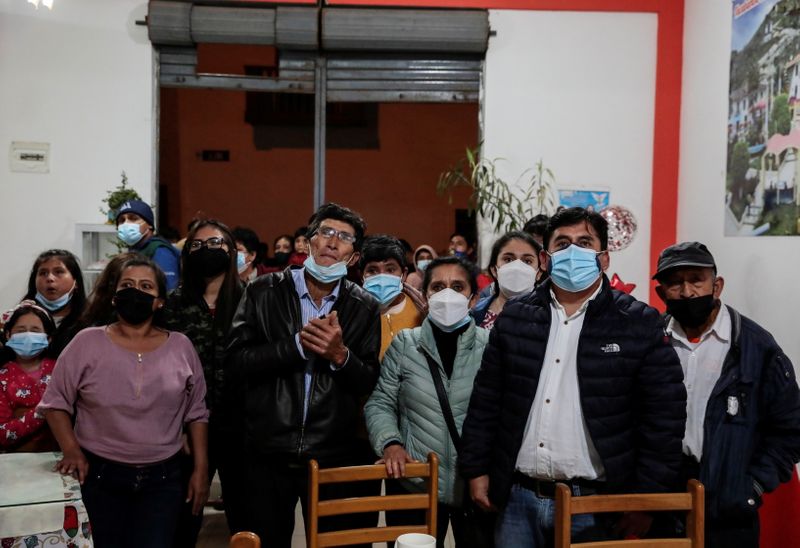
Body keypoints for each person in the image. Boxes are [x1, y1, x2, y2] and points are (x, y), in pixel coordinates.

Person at [459, 207, 687, 547]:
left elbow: (664, 418)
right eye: (563, 243)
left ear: (604, 258)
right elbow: (487, 400)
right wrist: (476, 470)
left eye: (584, 242)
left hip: (595, 503)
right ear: (546, 258)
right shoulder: (516, 318)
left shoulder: (639, 323)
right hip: (519, 497)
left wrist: (646, 497)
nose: (573, 252)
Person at [224, 203, 380, 548]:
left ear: (353, 258)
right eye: (325, 232)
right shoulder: (264, 291)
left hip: (333, 456)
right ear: (308, 242)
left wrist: (340, 356)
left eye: (344, 237)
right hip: (267, 452)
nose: (332, 242)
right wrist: (295, 347)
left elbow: (368, 380)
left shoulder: (364, 305)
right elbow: (235, 362)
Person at [38, 255, 209, 548]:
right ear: (115, 297)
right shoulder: (86, 342)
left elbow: (197, 412)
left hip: (163, 480)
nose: (135, 292)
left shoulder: (181, 346)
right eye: (127, 285)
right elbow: (56, 403)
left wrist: (201, 469)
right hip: (99, 476)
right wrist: (71, 450)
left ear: (159, 302)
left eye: (145, 286)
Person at [653, 241, 800, 548]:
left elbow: (790, 429)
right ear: (661, 292)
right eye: (675, 283)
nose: (687, 291)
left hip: (729, 511)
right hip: (660, 504)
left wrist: (752, 486)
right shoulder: (650, 341)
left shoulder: (757, 347)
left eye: (696, 279)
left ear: (716, 286)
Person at [365, 255, 493, 547]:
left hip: (473, 485)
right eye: (438, 287)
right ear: (425, 296)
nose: (447, 294)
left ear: (473, 299)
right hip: (415, 483)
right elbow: (380, 402)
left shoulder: (490, 346)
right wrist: (390, 443)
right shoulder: (405, 343)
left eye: (457, 287)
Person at [164, 220, 245, 547]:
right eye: (196, 245)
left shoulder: (253, 301)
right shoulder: (170, 305)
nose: (206, 250)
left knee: (246, 522)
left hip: (242, 431)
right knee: (182, 523)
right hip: (184, 432)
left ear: (231, 251)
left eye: (215, 242)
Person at [0, 301, 58, 452]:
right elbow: (2, 434)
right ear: (8, 335)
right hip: (19, 461)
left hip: (62, 456)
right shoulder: (3, 377)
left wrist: (22, 415)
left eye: (35, 330)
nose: (28, 336)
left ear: (49, 338)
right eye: (21, 330)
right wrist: (42, 412)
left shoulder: (60, 369)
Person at [359, 235, 425, 359]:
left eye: (390, 269)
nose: (381, 276)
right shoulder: (355, 312)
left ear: (404, 274)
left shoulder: (420, 309)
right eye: (372, 271)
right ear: (362, 276)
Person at [22, 249, 87, 358]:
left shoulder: (90, 322)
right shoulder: (20, 318)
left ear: (75, 282)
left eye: (59, 272)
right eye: (43, 273)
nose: (50, 278)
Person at [471, 231, 541, 330]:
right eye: (508, 260)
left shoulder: (549, 315)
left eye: (527, 261)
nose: (517, 267)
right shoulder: (475, 313)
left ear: (538, 273)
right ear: (494, 270)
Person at [116, 199, 181, 291]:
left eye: (133, 218)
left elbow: (169, 291)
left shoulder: (160, 251)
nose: (126, 224)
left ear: (149, 225)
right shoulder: (136, 249)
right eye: (122, 220)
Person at [74, 252, 139, 330]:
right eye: (127, 285)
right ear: (111, 284)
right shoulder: (92, 326)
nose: (136, 290)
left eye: (145, 286)